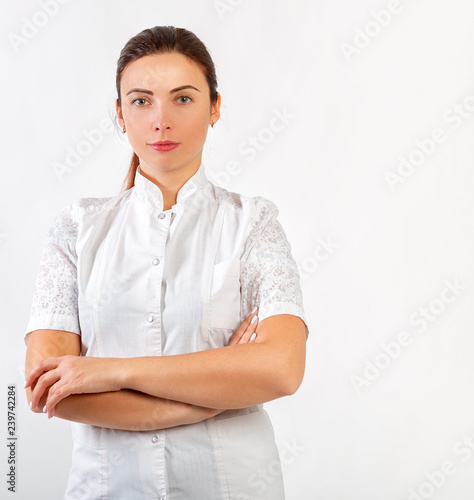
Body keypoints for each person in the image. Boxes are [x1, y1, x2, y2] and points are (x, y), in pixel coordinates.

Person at [24, 25, 309, 500]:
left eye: (182, 99)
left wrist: (111, 371)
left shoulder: (254, 223)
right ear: (119, 114)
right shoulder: (76, 228)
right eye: (140, 101)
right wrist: (207, 398)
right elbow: (49, 387)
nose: (160, 121)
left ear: (214, 107)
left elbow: (281, 368)